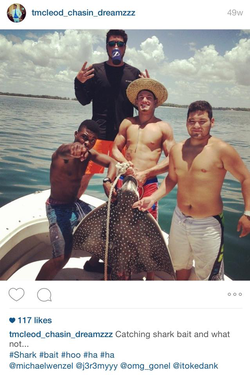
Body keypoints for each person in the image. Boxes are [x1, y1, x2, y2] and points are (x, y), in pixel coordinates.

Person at [133, 100, 250, 281]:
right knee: (180, 267)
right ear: (186, 122)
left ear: (212, 122)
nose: (196, 126)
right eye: (191, 121)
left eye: (202, 121)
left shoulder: (222, 150)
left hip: (208, 224)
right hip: (179, 219)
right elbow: (172, 179)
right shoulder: (177, 149)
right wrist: (152, 198)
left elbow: (246, 178)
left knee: (209, 276)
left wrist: (247, 213)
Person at [85, 78, 175, 279]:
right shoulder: (128, 123)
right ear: (136, 102)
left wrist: (146, 173)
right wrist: (125, 165)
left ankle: (150, 275)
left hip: (148, 185)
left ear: (155, 102)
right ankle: (103, 261)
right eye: (141, 97)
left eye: (148, 97)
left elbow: (172, 159)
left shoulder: (163, 127)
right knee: (112, 223)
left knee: (147, 228)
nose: (144, 100)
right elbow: (116, 149)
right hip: (124, 180)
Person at [36, 120, 117, 280]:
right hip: (57, 208)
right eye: (84, 137)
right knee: (61, 259)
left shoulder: (89, 154)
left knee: (110, 225)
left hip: (75, 205)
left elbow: (111, 162)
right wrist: (76, 148)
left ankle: (93, 263)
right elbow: (67, 150)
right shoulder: (62, 152)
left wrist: (107, 180)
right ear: (75, 134)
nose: (86, 143)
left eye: (92, 141)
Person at [74, 29, 148, 197]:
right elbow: (84, 100)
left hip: (123, 138)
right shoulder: (96, 71)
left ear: (125, 48)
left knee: (124, 182)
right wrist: (78, 82)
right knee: (83, 176)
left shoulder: (134, 74)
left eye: (120, 44)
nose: (116, 47)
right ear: (107, 47)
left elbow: (141, 107)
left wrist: (146, 87)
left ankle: (118, 217)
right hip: (98, 137)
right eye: (112, 43)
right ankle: (69, 210)